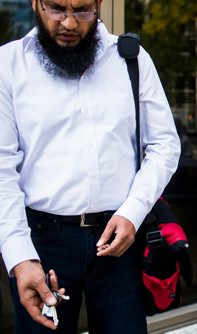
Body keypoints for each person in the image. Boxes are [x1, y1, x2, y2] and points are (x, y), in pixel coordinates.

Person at [0, 0, 181, 332]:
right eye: (56, 8)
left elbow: (164, 144)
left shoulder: (133, 59)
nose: (69, 23)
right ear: (35, 3)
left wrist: (133, 211)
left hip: (120, 239)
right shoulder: (8, 64)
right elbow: (1, 168)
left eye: (82, 10)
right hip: (41, 241)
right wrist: (19, 257)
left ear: (99, 5)